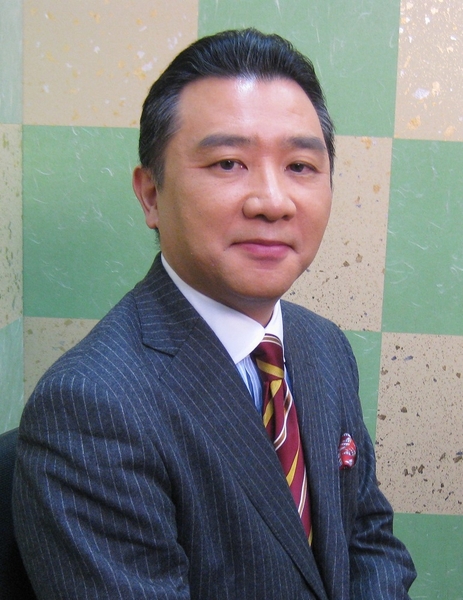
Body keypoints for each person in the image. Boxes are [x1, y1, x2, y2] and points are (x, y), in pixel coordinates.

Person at [13, 29, 416, 599]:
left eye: (301, 165)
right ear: (151, 195)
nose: (272, 201)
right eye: (229, 163)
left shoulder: (323, 344)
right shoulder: (91, 407)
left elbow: (368, 539)